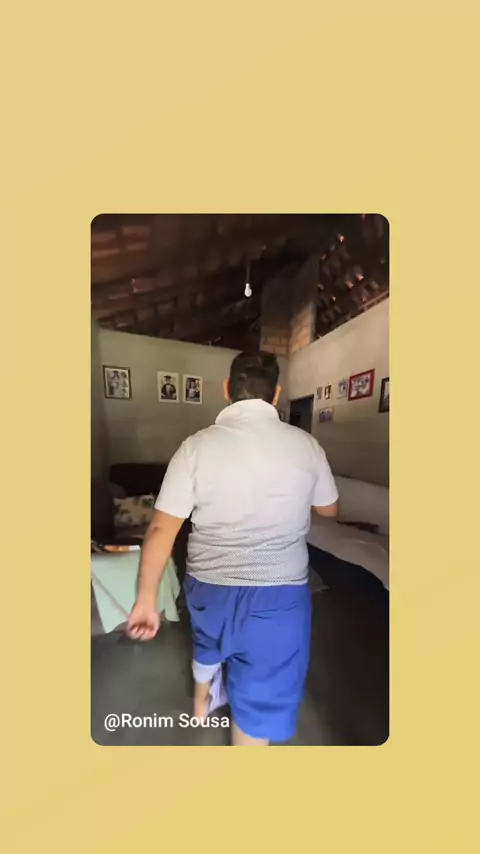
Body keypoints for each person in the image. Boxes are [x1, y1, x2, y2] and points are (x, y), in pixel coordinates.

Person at [127, 352, 338, 746]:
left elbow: (160, 528)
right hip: (278, 597)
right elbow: (329, 510)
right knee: (258, 704)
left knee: (210, 641)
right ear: (276, 394)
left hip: (208, 587)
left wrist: (145, 600)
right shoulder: (307, 446)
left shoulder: (195, 447)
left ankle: (200, 704)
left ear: (227, 389)